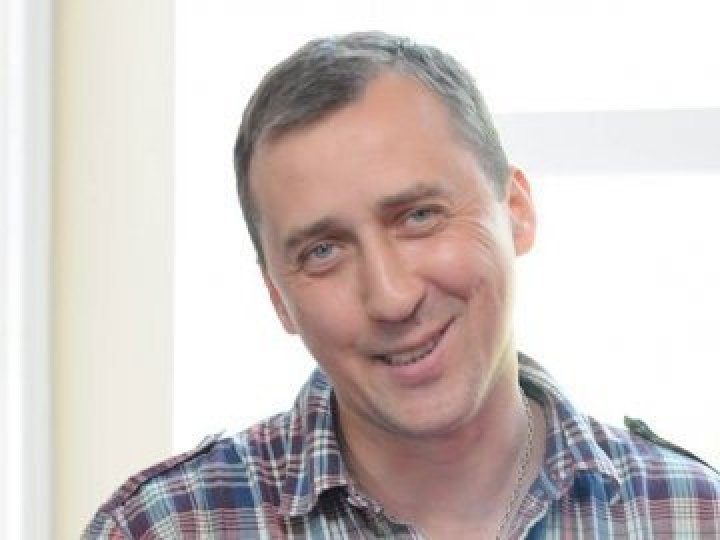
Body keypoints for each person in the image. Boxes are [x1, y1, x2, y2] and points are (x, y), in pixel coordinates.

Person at [84, 31, 720, 539]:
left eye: (419, 217)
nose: (391, 297)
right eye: (323, 251)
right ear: (278, 296)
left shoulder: (694, 516)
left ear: (517, 211)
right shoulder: (162, 528)